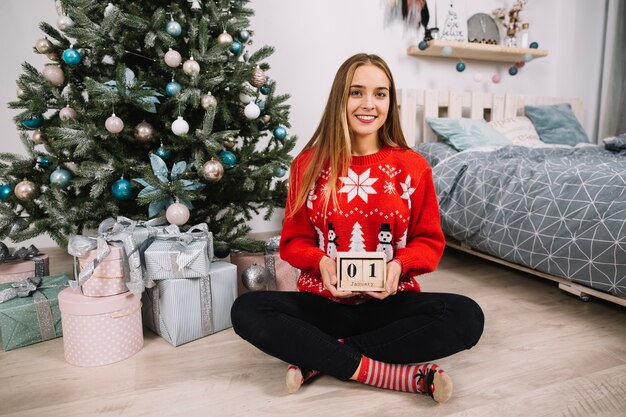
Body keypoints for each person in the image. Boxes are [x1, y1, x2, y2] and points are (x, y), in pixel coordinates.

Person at [231, 53, 484, 403]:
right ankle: (395, 375)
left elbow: (428, 241)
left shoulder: (413, 166)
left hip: (391, 306)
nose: (369, 104)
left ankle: (320, 359)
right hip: (324, 305)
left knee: (467, 316)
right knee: (246, 310)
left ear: (390, 102)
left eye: (380, 94)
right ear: (340, 98)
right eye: (357, 92)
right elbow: (294, 240)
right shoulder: (309, 164)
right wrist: (321, 263)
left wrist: (399, 267)